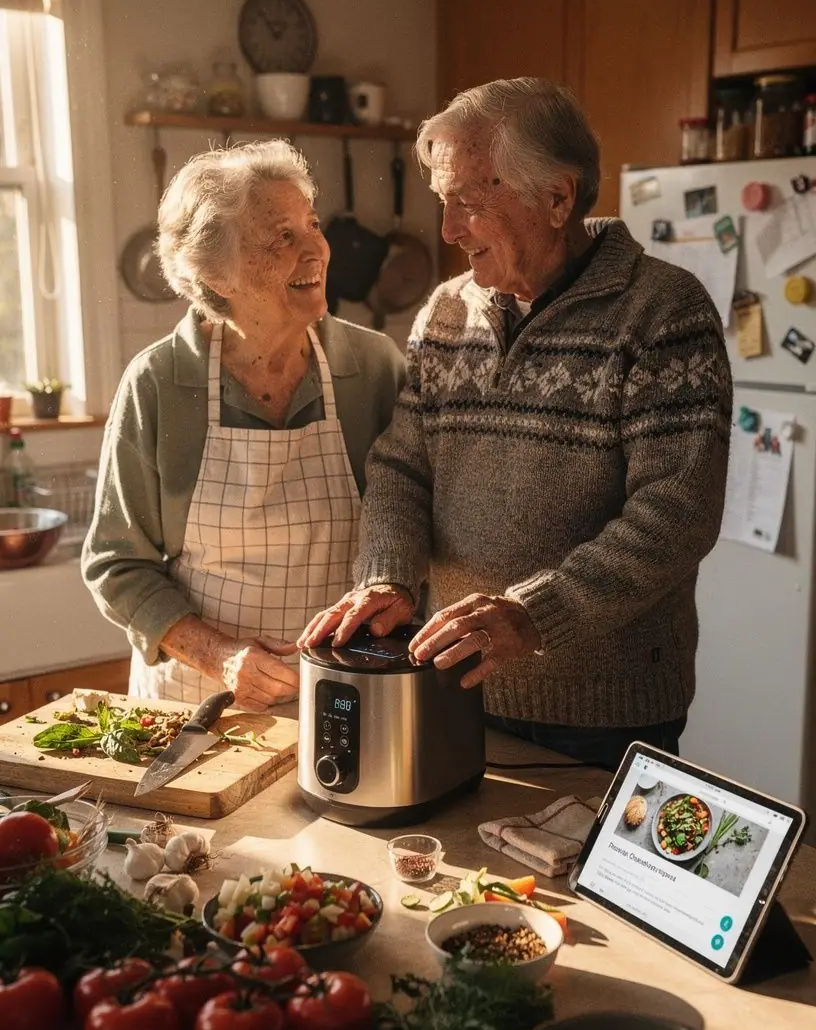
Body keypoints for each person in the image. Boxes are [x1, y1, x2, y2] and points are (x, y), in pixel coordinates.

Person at [300, 78, 733, 771]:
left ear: (557, 199)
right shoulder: (446, 311)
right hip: (449, 683)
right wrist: (388, 576)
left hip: (602, 712)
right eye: (443, 203)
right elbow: (402, 467)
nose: (448, 230)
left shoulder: (663, 312)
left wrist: (534, 615)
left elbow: (677, 514)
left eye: (470, 204)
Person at [82, 140, 404, 711]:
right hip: (199, 698)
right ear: (217, 273)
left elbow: (412, 522)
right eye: (283, 237)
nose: (316, 250)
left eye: (312, 225)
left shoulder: (374, 369)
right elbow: (116, 564)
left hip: (346, 693)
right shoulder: (159, 384)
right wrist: (219, 656)